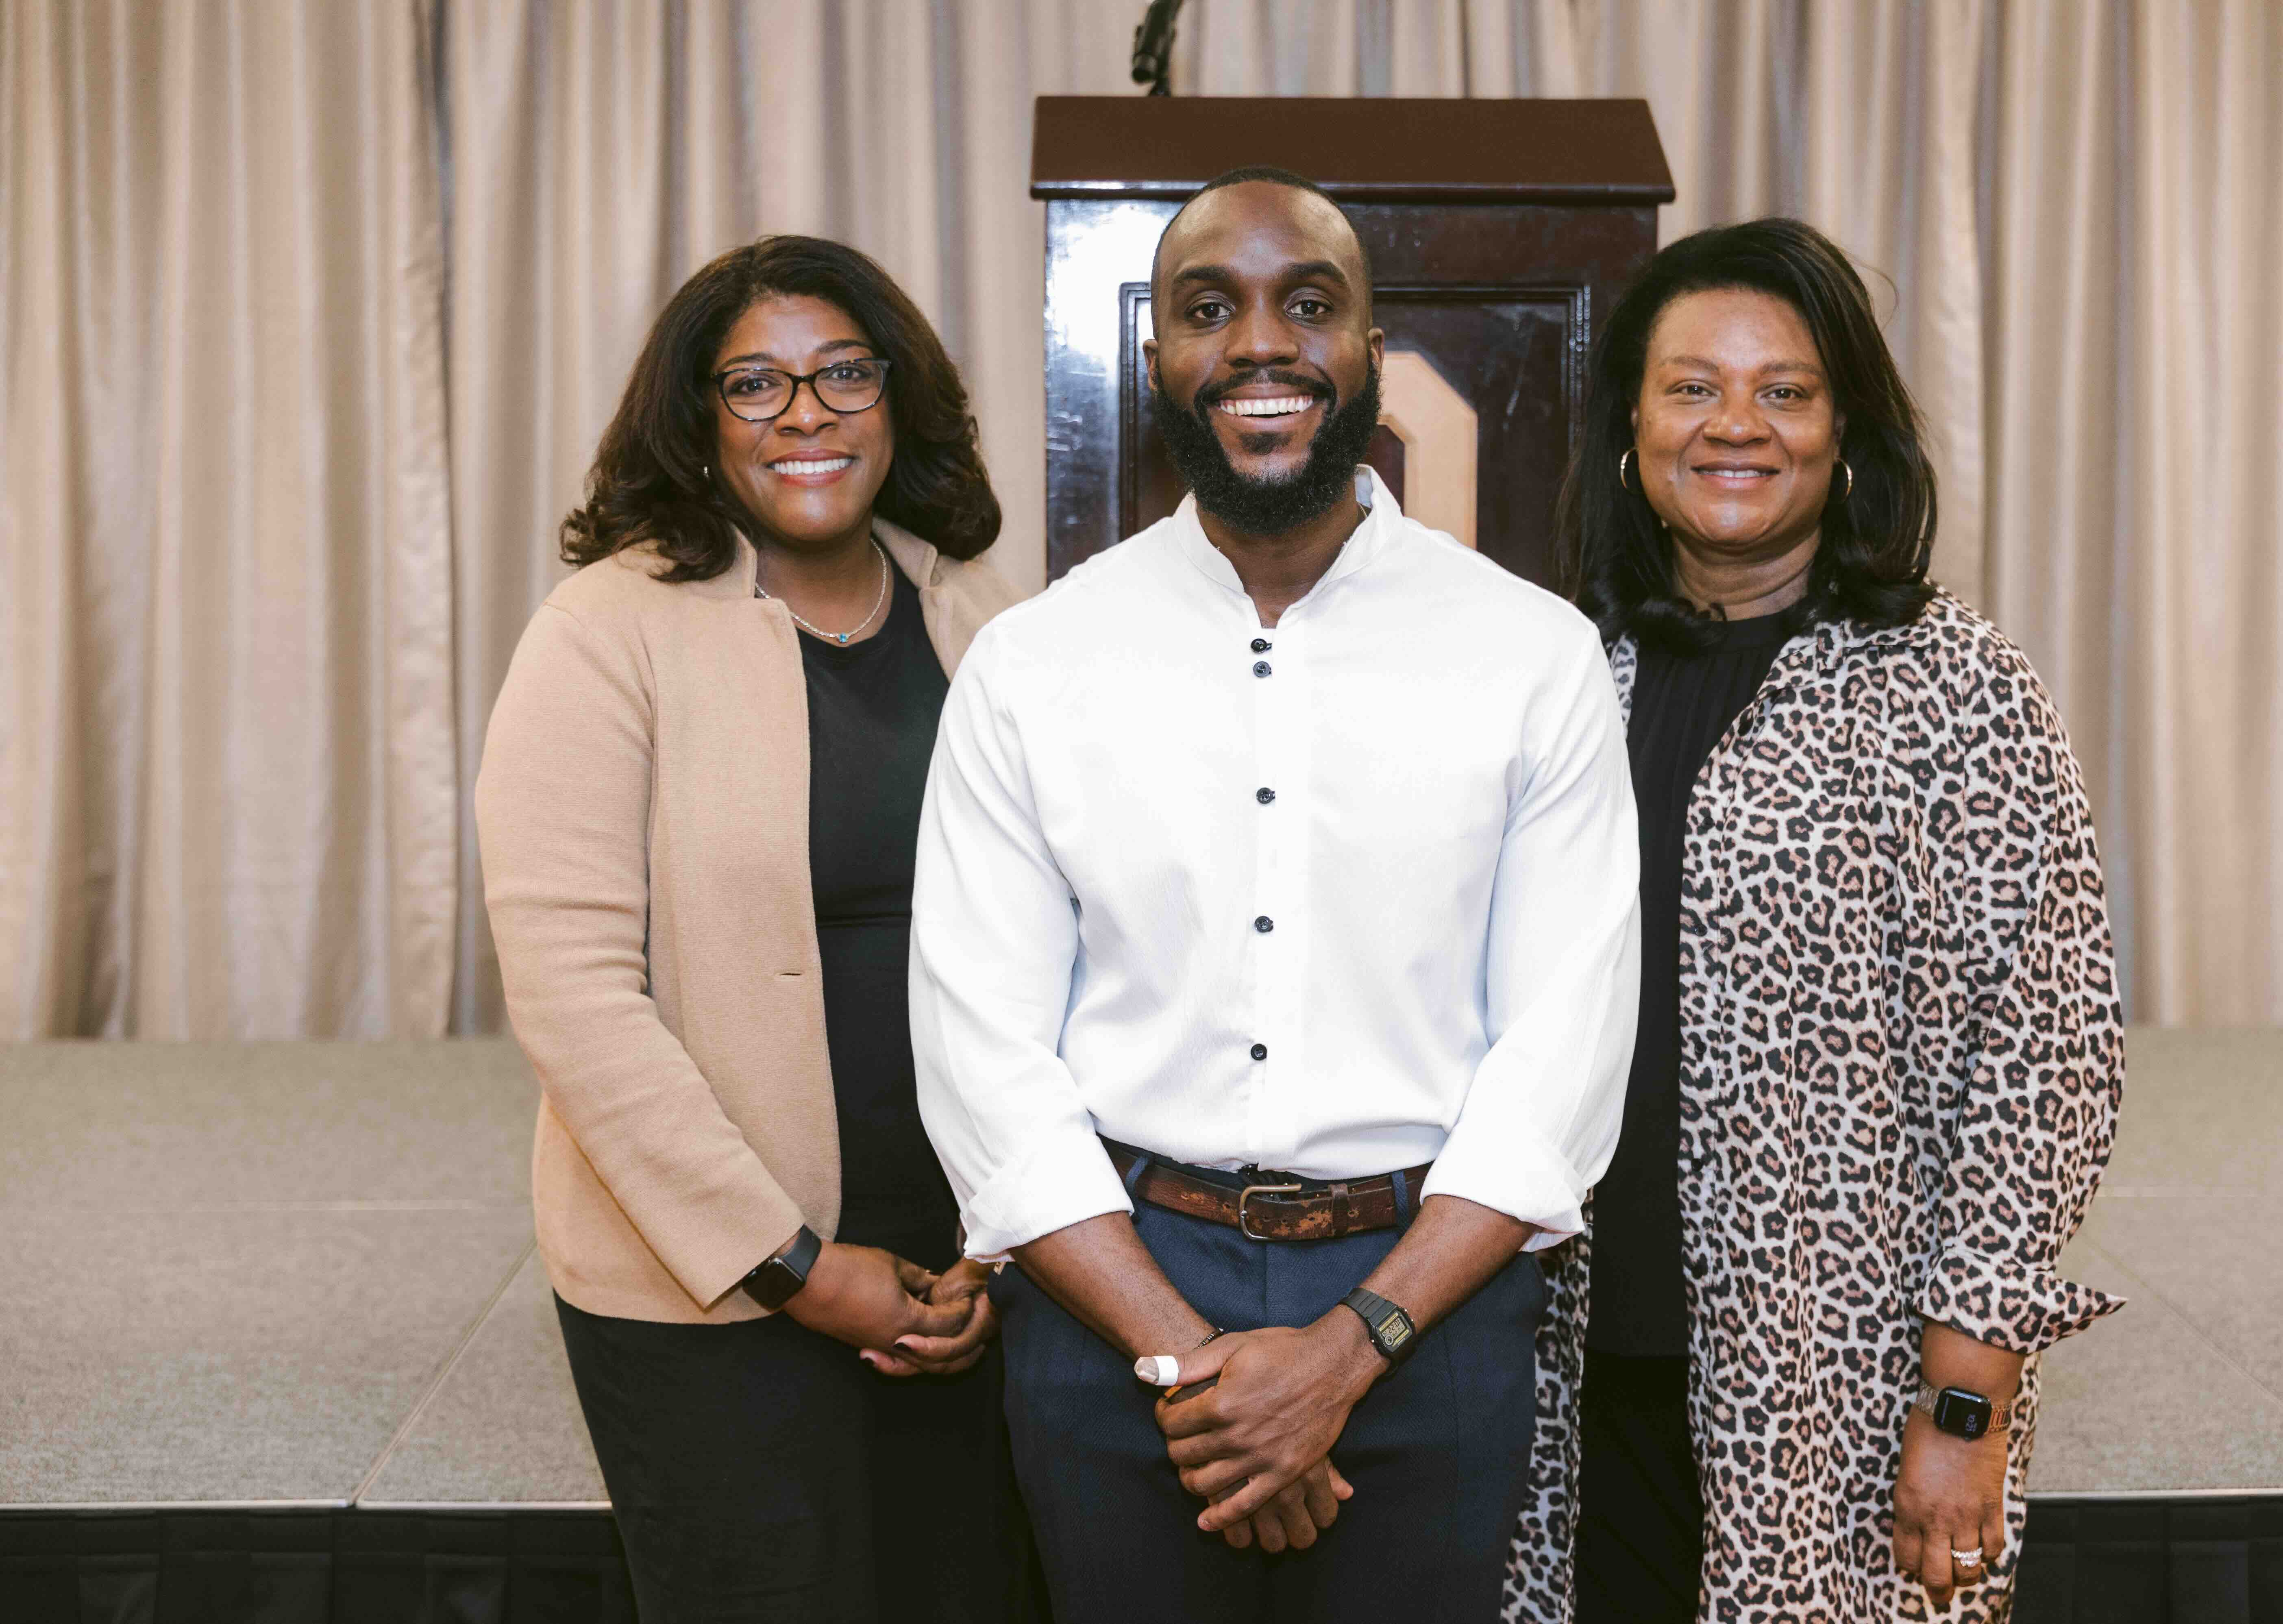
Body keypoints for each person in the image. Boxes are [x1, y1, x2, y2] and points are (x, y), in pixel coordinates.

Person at [908, 167, 1641, 1622]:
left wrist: (1350, 1345)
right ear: (1157, 360)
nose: (1260, 344)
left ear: (1374, 352)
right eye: (1207, 309)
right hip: (1109, 1293)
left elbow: (1559, 1058)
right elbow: (981, 1052)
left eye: (1310, 304)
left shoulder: (1531, 654)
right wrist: (1194, 1367)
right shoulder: (1034, 666)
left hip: (1432, 1293)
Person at [1552, 217, 2125, 1624]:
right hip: (1571, 1365)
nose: (1735, 424)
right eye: (1691, 387)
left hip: (1845, 1394)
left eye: (1784, 390)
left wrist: (1965, 1402)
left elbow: (2048, 1064)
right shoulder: (1567, 674)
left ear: (1846, 426)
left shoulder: (1957, 689)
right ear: (1632, 425)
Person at [476, 235, 1036, 1622]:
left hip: (971, 1271)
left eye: (843, 372)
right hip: (714, 1288)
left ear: (897, 396)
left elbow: (1067, 942)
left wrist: (1007, 1240)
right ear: (698, 420)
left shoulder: (983, 617)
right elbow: (575, 1002)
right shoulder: (607, 632)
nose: (806, 413)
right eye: (755, 385)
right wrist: (794, 1266)